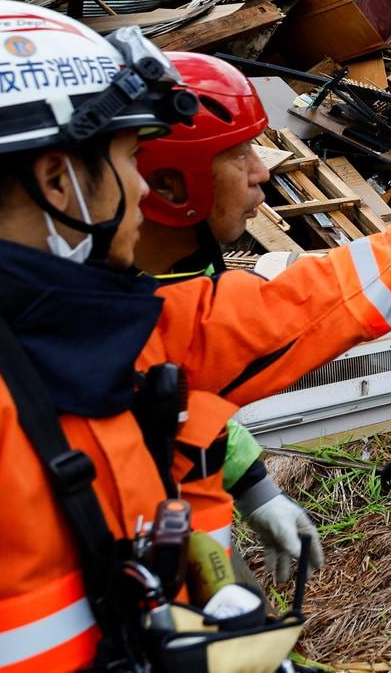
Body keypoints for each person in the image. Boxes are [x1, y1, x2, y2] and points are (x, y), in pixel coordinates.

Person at [0, 0, 391, 672]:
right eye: (128, 157)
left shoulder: (104, 322)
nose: (140, 183)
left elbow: (295, 307)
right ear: (56, 183)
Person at [132, 51, 317, 584]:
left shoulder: (168, 282)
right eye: (239, 155)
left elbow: (182, 410)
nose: (262, 173)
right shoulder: (102, 316)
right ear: (170, 184)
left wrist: (256, 488)